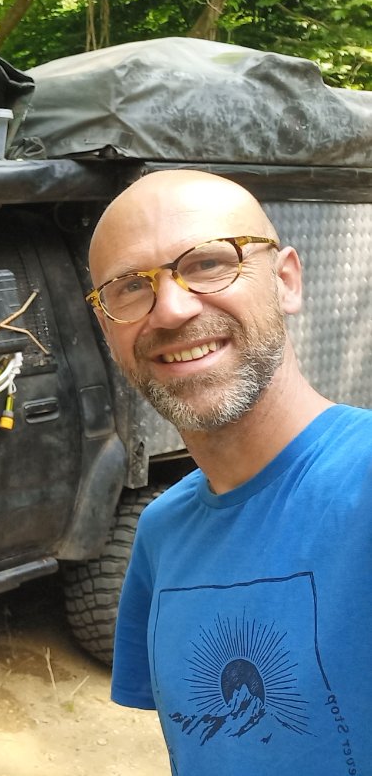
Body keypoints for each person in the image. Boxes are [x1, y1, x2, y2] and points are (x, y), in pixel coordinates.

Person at [86, 170, 372, 773]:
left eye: (210, 263)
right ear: (107, 327)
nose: (170, 308)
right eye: (129, 287)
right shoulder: (162, 535)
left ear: (287, 279)